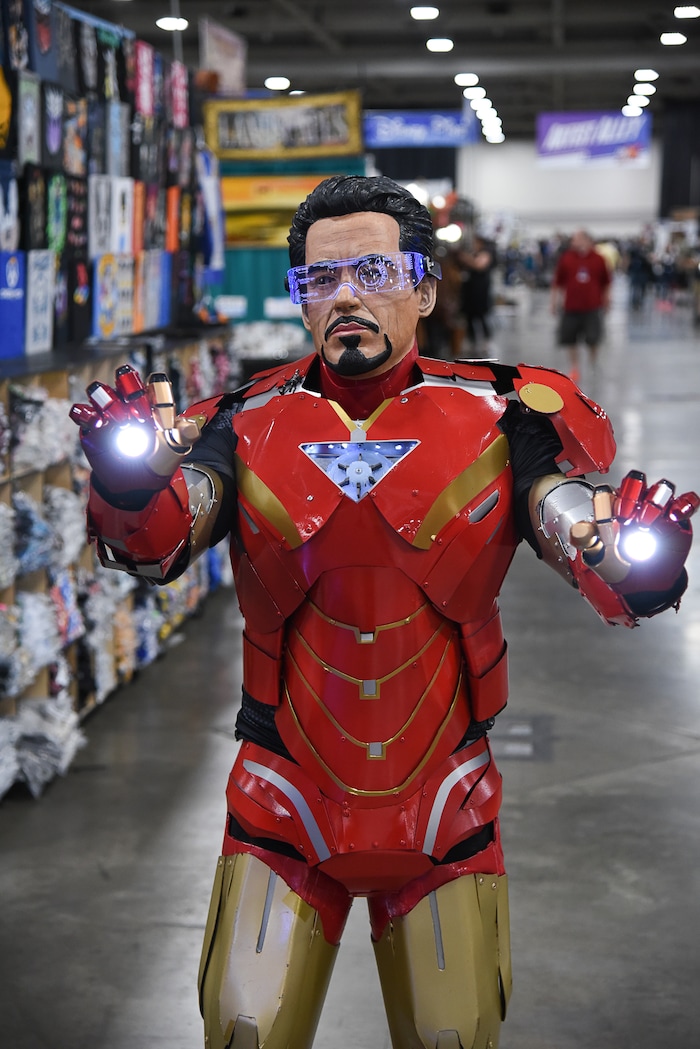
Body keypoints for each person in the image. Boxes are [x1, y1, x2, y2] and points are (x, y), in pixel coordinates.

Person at [70, 175, 697, 1049]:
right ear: (299, 300)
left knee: (455, 1035)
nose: (348, 296)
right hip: (283, 796)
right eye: (320, 280)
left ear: (426, 286)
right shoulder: (242, 421)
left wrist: (627, 552)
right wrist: (127, 483)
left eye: (374, 270)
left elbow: (572, 530)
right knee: (245, 1029)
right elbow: (167, 533)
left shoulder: (506, 414)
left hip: (445, 800)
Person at [550, 229, 611, 381]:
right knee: (570, 339)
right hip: (571, 306)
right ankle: (575, 367)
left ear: (587, 240)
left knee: (593, 339)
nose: (573, 242)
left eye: (576, 239)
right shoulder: (567, 258)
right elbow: (557, 282)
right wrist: (553, 302)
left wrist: (607, 300)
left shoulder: (599, 259)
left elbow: (607, 282)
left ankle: (593, 361)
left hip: (592, 306)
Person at [458, 232, 497, 354]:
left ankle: (486, 340)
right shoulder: (473, 254)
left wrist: (465, 258)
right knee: (470, 317)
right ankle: (472, 341)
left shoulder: (486, 254)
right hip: (470, 291)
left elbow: (479, 265)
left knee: (481, 316)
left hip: (480, 291)